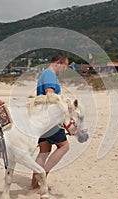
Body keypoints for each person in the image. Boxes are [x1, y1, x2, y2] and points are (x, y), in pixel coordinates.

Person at [30, 53, 69, 189]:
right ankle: (43, 176)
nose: (64, 70)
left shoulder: (45, 74)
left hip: (41, 120)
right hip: (48, 120)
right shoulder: (49, 75)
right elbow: (50, 96)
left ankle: (34, 184)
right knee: (64, 146)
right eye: (65, 66)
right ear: (58, 62)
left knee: (44, 151)